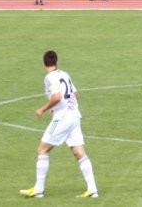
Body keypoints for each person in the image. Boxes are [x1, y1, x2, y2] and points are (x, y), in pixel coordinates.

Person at [20, 50, 98, 199]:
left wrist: (43, 109)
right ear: (57, 62)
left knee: (42, 150)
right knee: (79, 153)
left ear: (44, 64)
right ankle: (93, 190)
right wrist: (59, 107)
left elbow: (57, 97)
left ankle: (39, 189)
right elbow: (75, 94)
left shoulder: (50, 78)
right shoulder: (65, 74)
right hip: (74, 116)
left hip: (62, 119)